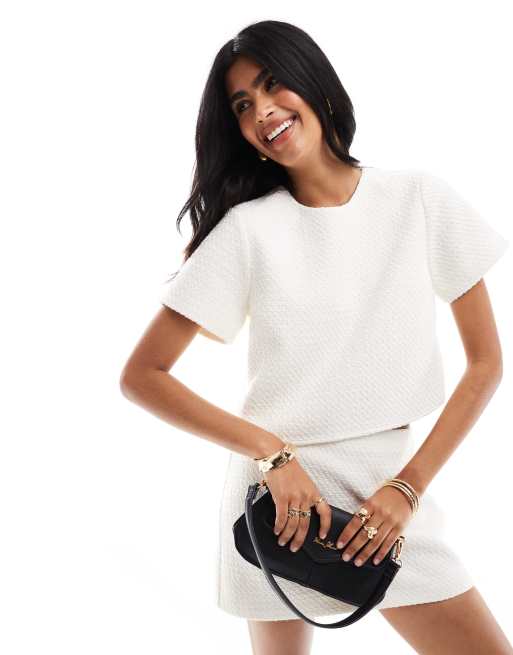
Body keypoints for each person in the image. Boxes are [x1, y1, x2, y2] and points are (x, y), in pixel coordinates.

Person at [119, 19, 512, 655]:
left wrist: (408, 488)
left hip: (390, 490)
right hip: (279, 501)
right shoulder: (247, 230)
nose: (262, 111)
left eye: (273, 84)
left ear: (318, 86)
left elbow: (487, 363)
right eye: (242, 105)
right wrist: (271, 454)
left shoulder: (418, 199)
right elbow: (142, 376)